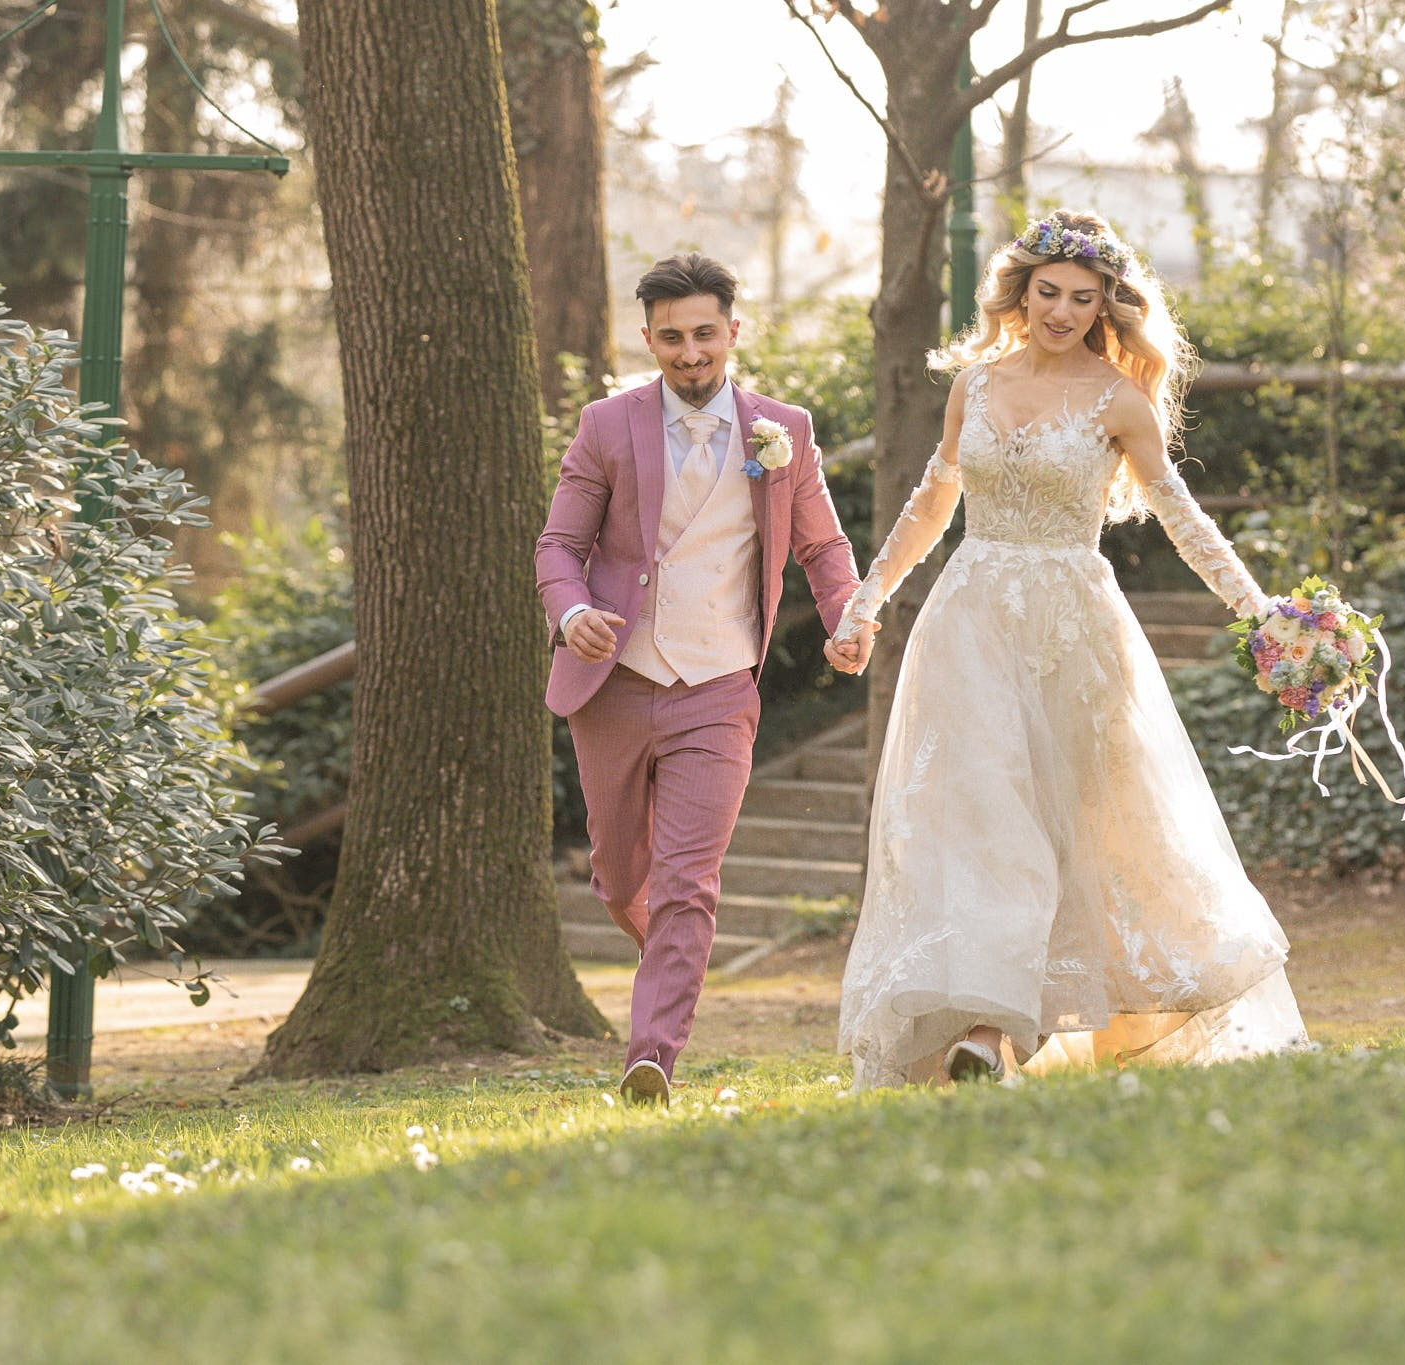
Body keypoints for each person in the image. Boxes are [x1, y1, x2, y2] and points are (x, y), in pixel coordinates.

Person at [827, 209, 1310, 1089]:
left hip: (1073, 630)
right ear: (1020, 293)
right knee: (979, 817)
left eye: (1082, 299)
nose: (1061, 311)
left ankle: (1036, 1022)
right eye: (1048, 292)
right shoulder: (973, 385)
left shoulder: (1120, 401)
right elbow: (932, 503)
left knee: (1082, 831)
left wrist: (1261, 611)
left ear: (1105, 308)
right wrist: (866, 602)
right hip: (970, 621)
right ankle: (983, 1027)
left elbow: (1184, 522)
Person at [537, 252, 868, 1106]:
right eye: (673, 337)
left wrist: (845, 619)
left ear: (732, 330)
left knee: (689, 881)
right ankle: (668, 963)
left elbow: (823, 547)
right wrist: (571, 612)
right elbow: (559, 547)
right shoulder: (607, 426)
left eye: (705, 334)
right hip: (614, 681)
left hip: (720, 686)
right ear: (648, 338)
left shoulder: (780, 429)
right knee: (620, 877)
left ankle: (653, 1054)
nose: (691, 353)